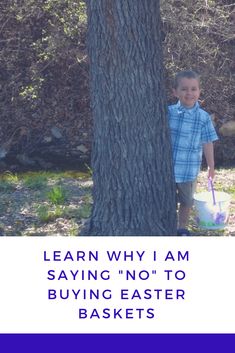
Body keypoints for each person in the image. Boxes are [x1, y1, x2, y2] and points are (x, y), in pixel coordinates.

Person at [168, 70, 218, 236]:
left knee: (187, 201)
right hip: (166, 169)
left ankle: (182, 227)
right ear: (175, 91)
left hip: (188, 171)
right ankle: (167, 224)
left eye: (193, 89)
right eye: (184, 89)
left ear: (199, 92)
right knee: (166, 201)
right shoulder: (168, 113)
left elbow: (208, 142)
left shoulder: (203, 118)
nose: (189, 93)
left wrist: (211, 166)